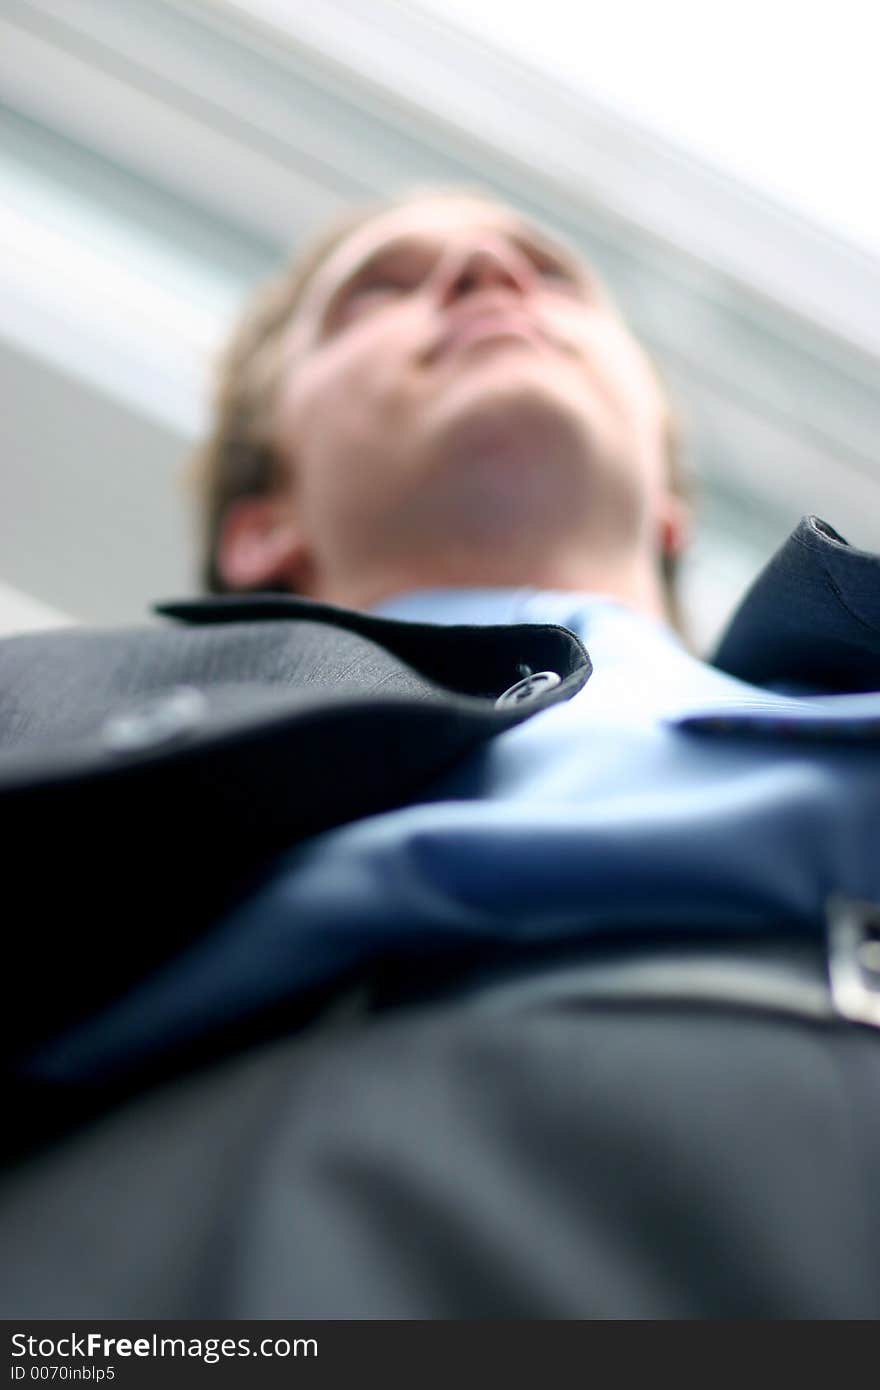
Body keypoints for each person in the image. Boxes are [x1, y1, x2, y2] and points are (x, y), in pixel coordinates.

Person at [1, 185, 880, 1320]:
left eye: (548, 273)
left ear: (668, 502)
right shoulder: (43, 717)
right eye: (379, 288)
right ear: (261, 524)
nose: (485, 275)